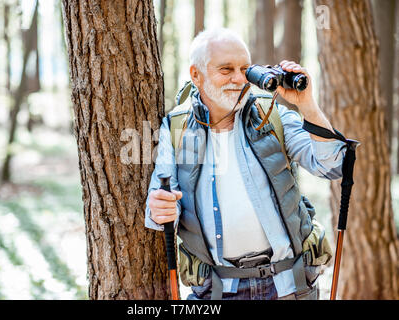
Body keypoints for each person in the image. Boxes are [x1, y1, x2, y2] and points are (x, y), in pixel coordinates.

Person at [144, 28, 346, 300]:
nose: (239, 79)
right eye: (226, 70)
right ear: (196, 75)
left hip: (291, 283)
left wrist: (307, 104)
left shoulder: (271, 113)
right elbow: (160, 208)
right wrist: (159, 208)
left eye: (244, 69)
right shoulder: (176, 126)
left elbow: (331, 166)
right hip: (219, 291)